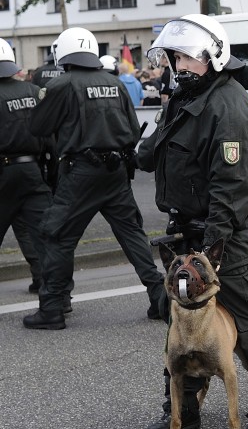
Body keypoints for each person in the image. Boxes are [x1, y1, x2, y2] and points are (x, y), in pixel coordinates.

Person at [138, 13, 248, 429]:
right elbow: (157, 149)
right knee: (181, 317)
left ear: (213, 58)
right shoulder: (185, 98)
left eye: (187, 58)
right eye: (175, 58)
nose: (179, 67)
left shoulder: (229, 104)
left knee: (247, 315)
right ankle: (183, 408)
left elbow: (234, 184)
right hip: (186, 231)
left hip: (220, 236)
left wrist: (210, 250)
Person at [23, 27, 166, 329]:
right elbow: (130, 126)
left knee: (57, 234)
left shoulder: (63, 84)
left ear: (63, 53)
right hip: (116, 172)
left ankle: (53, 307)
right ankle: (160, 299)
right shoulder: (114, 82)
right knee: (132, 235)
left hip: (80, 174)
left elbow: (38, 126)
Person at [0, 38, 52, 297]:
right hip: (33, 172)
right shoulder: (33, 91)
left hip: (3, 174)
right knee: (40, 234)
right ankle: (53, 292)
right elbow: (49, 135)